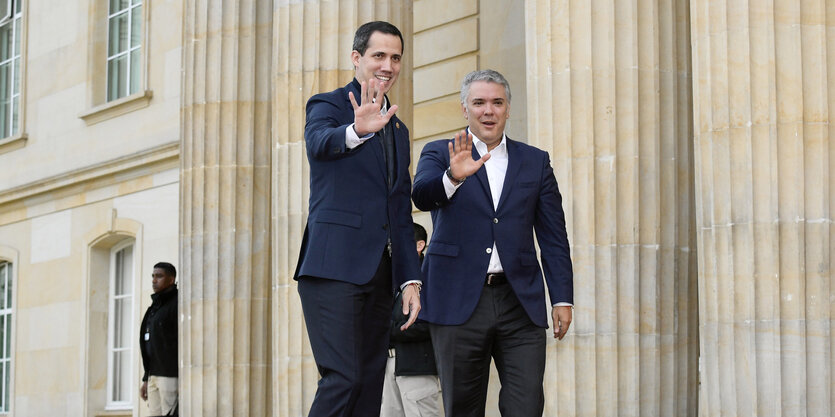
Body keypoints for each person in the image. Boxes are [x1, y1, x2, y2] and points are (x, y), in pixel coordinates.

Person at [412, 69, 574, 416]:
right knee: (463, 409)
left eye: (497, 102)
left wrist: (561, 297)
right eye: (479, 102)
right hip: (457, 301)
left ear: (508, 108)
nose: (489, 111)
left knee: (527, 405)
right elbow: (422, 195)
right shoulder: (441, 153)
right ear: (464, 109)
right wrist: (453, 175)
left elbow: (554, 235)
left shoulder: (535, 160)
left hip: (520, 302)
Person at [294, 21, 422, 417]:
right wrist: (355, 130)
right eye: (378, 55)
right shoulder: (329, 105)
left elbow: (400, 209)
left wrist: (409, 278)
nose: (388, 65)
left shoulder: (399, 130)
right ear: (357, 58)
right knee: (343, 378)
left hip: (380, 277)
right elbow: (319, 144)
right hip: (333, 269)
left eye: (395, 57)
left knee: (369, 386)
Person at [381, 223, 443, 417]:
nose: (392, 251)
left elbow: (429, 323)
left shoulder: (432, 276)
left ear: (419, 245)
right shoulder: (391, 278)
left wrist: (387, 331)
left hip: (418, 366)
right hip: (389, 364)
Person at [139, 262, 179, 416]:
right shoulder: (154, 307)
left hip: (169, 375)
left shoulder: (177, 303)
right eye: (153, 276)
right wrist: (146, 377)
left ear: (171, 279)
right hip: (153, 375)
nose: (154, 280)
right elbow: (149, 344)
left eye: (159, 276)